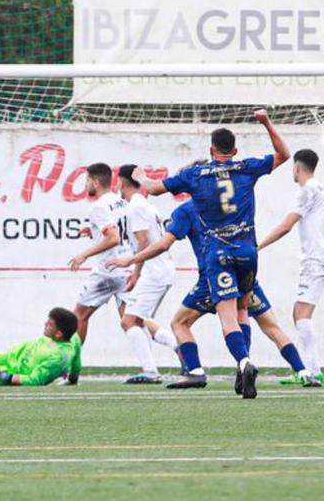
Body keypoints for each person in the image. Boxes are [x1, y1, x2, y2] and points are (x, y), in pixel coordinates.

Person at [132, 109, 289, 399]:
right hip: (248, 251)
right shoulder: (246, 167)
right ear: (235, 150)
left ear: (211, 150)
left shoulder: (194, 175)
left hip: (218, 256)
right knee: (242, 309)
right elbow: (283, 154)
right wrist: (266, 122)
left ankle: (243, 363)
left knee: (226, 317)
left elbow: (153, 189)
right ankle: (243, 367)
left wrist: (140, 176)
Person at [110, 200, 317, 389]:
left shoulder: (187, 209)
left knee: (180, 322)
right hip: (245, 273)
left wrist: (130, 261)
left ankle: (197, 371)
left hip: (213, 277)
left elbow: (163, 244)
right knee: (267, 324)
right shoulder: (230, 205)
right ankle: (302, 371)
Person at [258, 148, 324, 385]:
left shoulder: (306, 191)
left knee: (301, 315)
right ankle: (307, 368)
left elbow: (285, 226)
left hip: (316, 259)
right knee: (300, 313)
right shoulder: (323, 190)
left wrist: (258, 246)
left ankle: (311, 371)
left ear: (296, 167)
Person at [114, 164, 178, 384]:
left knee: (128, 321)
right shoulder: (145, 205)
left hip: (155, 271)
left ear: (121, 182)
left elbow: (143, 241)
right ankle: (164, 361)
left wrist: (136, 271)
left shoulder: (136, 207)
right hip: (158, 270)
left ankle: (154, 369)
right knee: (138, 320)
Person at [68, 163, 130, 354]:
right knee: (132, 321)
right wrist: (93, 231)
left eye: (87, 181)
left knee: (78, 316)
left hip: (107, 271)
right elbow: (121, 230)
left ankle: (70, 367)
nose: (86, 185)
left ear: (95, 181)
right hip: (126, 268)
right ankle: (174, 347)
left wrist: (83, 254)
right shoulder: (121, 202)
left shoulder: (98, 206)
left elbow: (113, 237)